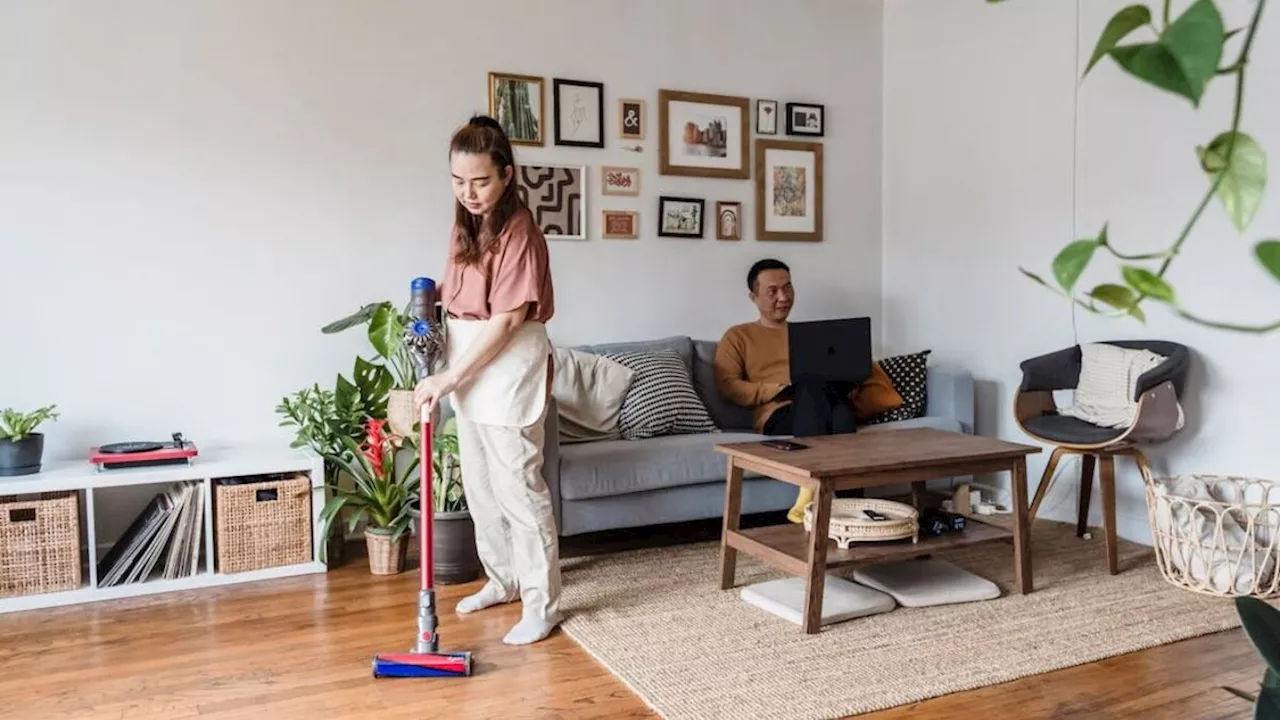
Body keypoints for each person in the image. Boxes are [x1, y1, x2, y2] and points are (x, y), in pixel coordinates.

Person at [413, 114, 561, 646]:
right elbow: (456, 303)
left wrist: (450, 378)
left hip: (506, 366)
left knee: (520, 490)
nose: (469, 192)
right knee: (480, 488)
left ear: (506, 175)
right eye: (458, 181)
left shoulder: (521, 232)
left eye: (480, 180)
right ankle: (503, 581)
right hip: (467, 368)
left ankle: (542, 604)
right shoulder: (464, 227)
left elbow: (505, 322)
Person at [713, 258, 904, 523]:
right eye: (773, 291)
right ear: (753, 296)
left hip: (825, 401)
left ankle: (843, 509)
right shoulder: (738, 336)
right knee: (818, 390)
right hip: (780, 413)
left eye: (788, 288)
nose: (783, 297)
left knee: (840, 410)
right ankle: (832, 494)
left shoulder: (812, 335)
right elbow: (728, 386)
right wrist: (775, 389)